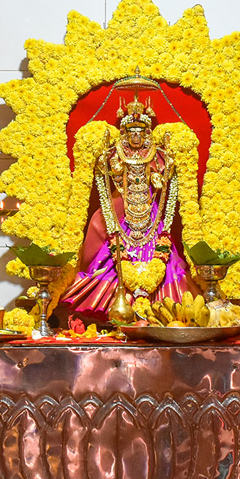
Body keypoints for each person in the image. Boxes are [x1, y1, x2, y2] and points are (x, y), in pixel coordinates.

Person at [61, 83, 195, 319]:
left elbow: (164, 176)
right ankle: (114, 306)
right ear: (124, 134)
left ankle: (158, 308)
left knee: (160, 252)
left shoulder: (155, 154)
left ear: (146, 135)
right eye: (131, 132)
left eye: (140, 133)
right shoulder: (116, 154)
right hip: (122, 210)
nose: (135, 137)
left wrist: (160, 175)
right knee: (109, 245)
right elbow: (106, 173)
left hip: (149, 212)